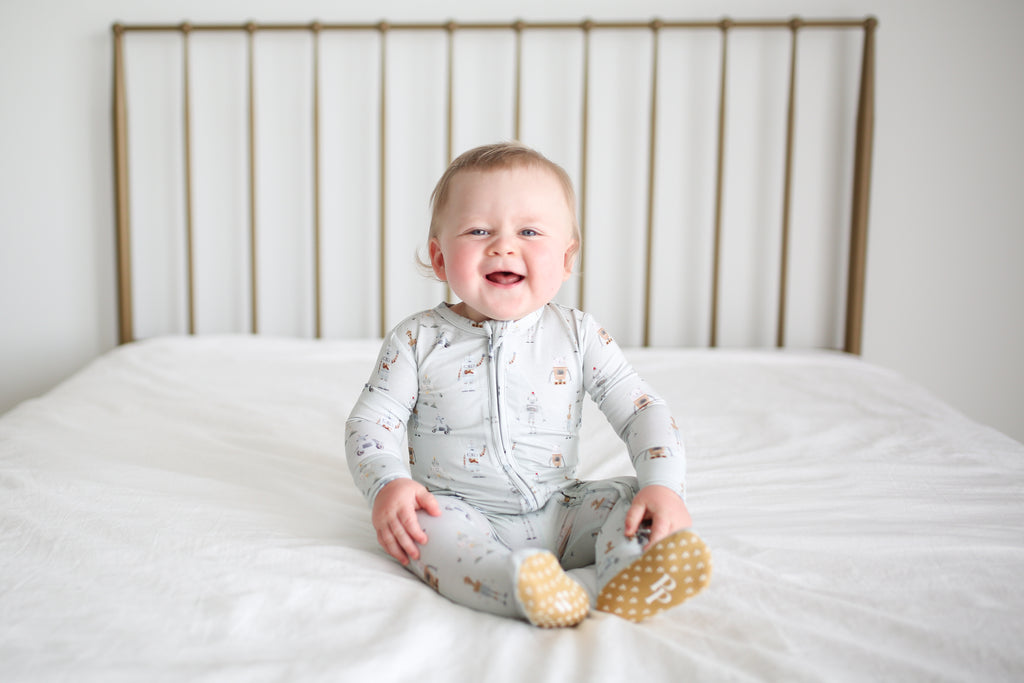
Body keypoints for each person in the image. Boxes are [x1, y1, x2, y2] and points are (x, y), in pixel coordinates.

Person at [345, 142, 710, 627]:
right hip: (461, 511)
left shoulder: (577, 335)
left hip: (562, 510)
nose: (503, 245)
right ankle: (516, 585)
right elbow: (373, 421)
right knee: (420, 530)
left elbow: (641, 409)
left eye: (530, 231)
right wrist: (389, 484)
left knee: (629, 499)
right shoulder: (417, 339)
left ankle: (631, 568)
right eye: (478, 231)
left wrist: (665, 487)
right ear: (438, 258)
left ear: (566, 259)